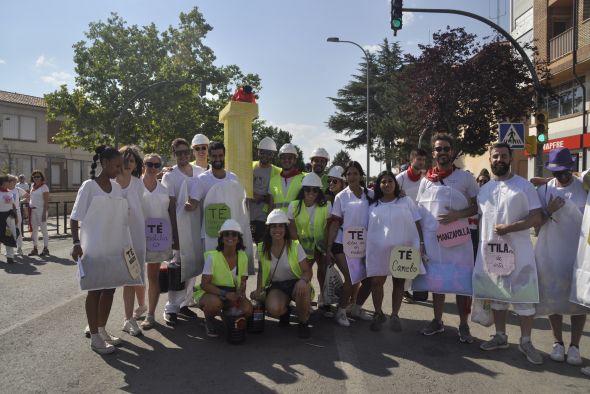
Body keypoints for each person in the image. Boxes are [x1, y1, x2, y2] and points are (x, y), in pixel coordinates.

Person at [474, 142, 544, 365]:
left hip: (519, 254)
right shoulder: (484, 190)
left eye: (503, 156)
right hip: (492, 254)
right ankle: (501, 336)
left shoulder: (524, 186)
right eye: (495, 156)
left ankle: (526, 342)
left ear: (510, 158)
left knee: (524, 301)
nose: (499, 160)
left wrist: (509, 228)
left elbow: (536, 218)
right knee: (497, 298)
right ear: (490, 160)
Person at [413, 133, 479, 343]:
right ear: (433, 153)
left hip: (458, 240)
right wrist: (421, 242)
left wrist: (456, 216)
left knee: (461, 285)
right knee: (437, 283)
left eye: (445, 148)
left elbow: (478, 206)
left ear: (452, 151)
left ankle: (463, 324)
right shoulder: (426, 181)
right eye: (438, 149)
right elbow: (418, 212)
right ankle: (437, 320)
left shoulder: (465, 178)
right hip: (433, 242)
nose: (442, 152)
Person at [535, 148, 588, 365]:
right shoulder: (545, 189)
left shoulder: (584, 186)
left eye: (565, 171)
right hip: (551, 251)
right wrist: (548, 209)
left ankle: (575, 345)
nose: (561, 176)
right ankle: (558, 341)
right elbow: (536, 219)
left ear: (572, 168)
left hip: (579, 252)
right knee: (553, 298)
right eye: (557, 172)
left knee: (578, 300)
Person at [70, 145, 124, 354]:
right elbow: (75, 218)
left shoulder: (117, 188)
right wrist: (76, 243)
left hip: (112, 248)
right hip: (93, 248)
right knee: (95, 291)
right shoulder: (89, 186)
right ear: (105, 163)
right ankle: (94, 336)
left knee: (109, 289)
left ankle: (102, 329)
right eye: (117, 165)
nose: (119, 170)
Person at [366, 171, 425, 332]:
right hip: (378, 251)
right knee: (376, 282)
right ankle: (378, 313)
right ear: (379, 185)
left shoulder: (406, 201)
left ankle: (394, 315)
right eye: (383, 182)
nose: (387, 184)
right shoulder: (373, 205)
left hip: (402, 250)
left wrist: (420, 243)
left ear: (395, 183)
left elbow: (417, 222)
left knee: (399, 283)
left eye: (390, 181)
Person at [161, 138, 206, 326]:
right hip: (179, 229)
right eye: (178, 152)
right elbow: (170, 206)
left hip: (197, 228)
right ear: (174, 154)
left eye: (185, 151)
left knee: (193, 267)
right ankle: (171, 307)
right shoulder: (169, 176)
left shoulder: (201, 173)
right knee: (177, 269)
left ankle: (184, 304)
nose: (183, 155)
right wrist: (174, 234)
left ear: (190, 152)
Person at [251, 209, 313, 338]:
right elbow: (262, 272)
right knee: (274, 309)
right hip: (277, 286)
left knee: (304, 288)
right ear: (269, 228)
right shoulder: (262, 248)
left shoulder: (295, 246)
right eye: (274, 226)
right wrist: (258, 290)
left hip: (296, 284)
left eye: (281, 226)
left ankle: (303, 322)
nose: (277, 230)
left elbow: (307, 271)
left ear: (285, 229)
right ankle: (285, 312)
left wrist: (303, 281)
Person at [326, 161, 374, 326]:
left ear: (361, 175)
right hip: (342, 244)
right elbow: (335, 223)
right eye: (349, 174)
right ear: (345, 177)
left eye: (355, 173)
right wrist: (329, 247)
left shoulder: (372, 194)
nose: (352, 177)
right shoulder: (341, 196)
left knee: (368, 280)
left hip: (365, 245)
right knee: (350, 278)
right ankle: (340, 311)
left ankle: (356, 307)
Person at [194, 219, 252, 337]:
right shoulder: (213, 257)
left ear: (239, 238)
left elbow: (243, 280)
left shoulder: (243, 257)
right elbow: (204, 284)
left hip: (231, 294)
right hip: (211, 293)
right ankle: (208, 320)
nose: (230, 237)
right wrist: (225, 294)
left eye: (234, 234)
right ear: (221, 237)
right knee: (215, 303)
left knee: (248, 309)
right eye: (226, 234)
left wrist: (240, 293)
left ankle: (227, 315)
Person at [136, 153, 171, 329]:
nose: (153, 168)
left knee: (153, 277)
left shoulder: (164, 188)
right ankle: (140, 306)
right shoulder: (134, 186)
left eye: (157, 165)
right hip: (137, 236)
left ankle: (150, 315)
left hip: (158, 237)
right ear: (143, 164)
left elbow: (170, 212)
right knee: (135, 276)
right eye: (149, 164)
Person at [287, 173, 331, 313]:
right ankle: (305, 300)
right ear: (303, 190)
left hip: (320, 244)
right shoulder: (294, 206)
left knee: (323, 272)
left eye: (315, 190)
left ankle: (324, 299)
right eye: (308, 189)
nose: (311, 193)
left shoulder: (327, 206)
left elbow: (328, 228)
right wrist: (299, 250)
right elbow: (293, 231)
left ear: (319, 191)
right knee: (304, 273)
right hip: (301, 245)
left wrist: (327, 249)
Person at [116, 146, 146, 337]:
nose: (128, 164)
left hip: (135, 237)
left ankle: (129, 319)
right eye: (125, 159)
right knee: (105, 281)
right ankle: (96, 323)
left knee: (131, 278)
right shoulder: (109, 182)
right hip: (112, 237)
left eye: (132, 160)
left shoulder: (138, 184)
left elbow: (139, 210)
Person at [396, 148, 428, 304]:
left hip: (421, 224)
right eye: (418, 159)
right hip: (404, 226)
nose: (421, 162)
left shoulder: (426, 179)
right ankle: (402, 290)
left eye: (423, 160)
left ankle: (412, 288)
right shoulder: (399, 179)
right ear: (411, 160)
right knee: (406, 258)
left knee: (419, 256)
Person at [251, 137, 281, 244]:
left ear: (272, 155)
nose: (265, 155)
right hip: (247, 214)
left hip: (264, 217)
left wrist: (262, 198)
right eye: (262, 152)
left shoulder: (278, 172)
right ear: (258, 152)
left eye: (268, 153)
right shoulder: (250, 166)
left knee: (261, 248)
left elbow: (277, 196)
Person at [269, 143, 305, 213]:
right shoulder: (273, 180)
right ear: (280, 159)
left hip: (295, 221)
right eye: (284, 157)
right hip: (277, 221)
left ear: (295, 160)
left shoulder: (303, 179)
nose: (286, 160)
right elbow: (271, 205)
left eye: (290, 158)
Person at [27, 170, 50, 257]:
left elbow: (46, 202)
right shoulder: (32, 186)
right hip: (33, 211)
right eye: (34, 177)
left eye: (38, 176)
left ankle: (46, 248)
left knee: (44, 230)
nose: (36, 178)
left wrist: (44, 213)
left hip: (41, 210)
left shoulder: (44, 187)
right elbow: (31, 198)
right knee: (34, 231)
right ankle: (35, 248)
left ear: (41, 177)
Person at [0, 175, 18, 264]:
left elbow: (13, 205)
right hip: (0, 218)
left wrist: (16, 216)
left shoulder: (9, 192)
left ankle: (10, 257)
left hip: (9, 218)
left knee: (9, 236)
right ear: (2, 183)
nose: (9, 182)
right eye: (7, 181)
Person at [7, 174, 26, 255]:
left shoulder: (18, 190)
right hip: (7, 213)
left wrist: (21, 202)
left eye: (15, 181)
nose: (15, 183)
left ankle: (19, 249)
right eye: (13, 181)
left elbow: (28, 196)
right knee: (8, 231)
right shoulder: (4, 190)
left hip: (16, 212)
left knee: (18, 230)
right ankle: (9, 250)